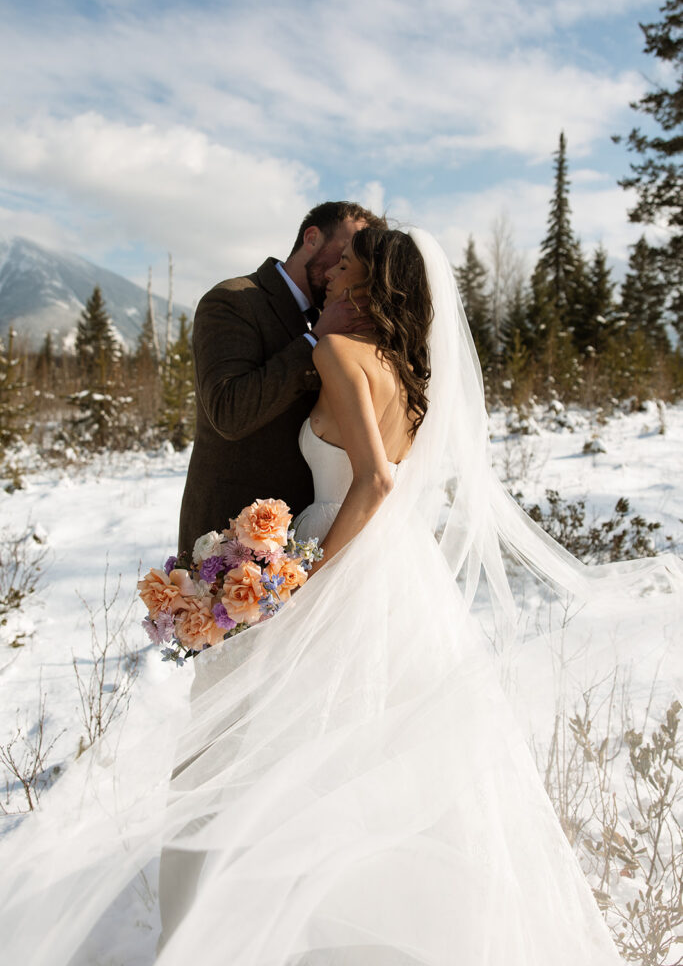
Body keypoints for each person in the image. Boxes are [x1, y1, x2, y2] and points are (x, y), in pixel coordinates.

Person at [1, 228, 681, 965]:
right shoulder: (407, 370)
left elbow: (374, 482)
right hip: (399, 569)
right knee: (372, 753)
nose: (334, 270)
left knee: (288, 752)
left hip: (340, 554)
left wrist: (307, 580)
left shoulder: (334, 353)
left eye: (349, 263)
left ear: (370, 281)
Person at [178, 200, 387, 558]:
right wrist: (313, 341)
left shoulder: (345, 323)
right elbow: (229, 412)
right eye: (345, 251)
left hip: (311, 540)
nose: (346, 265)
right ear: (312, 238)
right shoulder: (233, 300)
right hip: (231, 542)